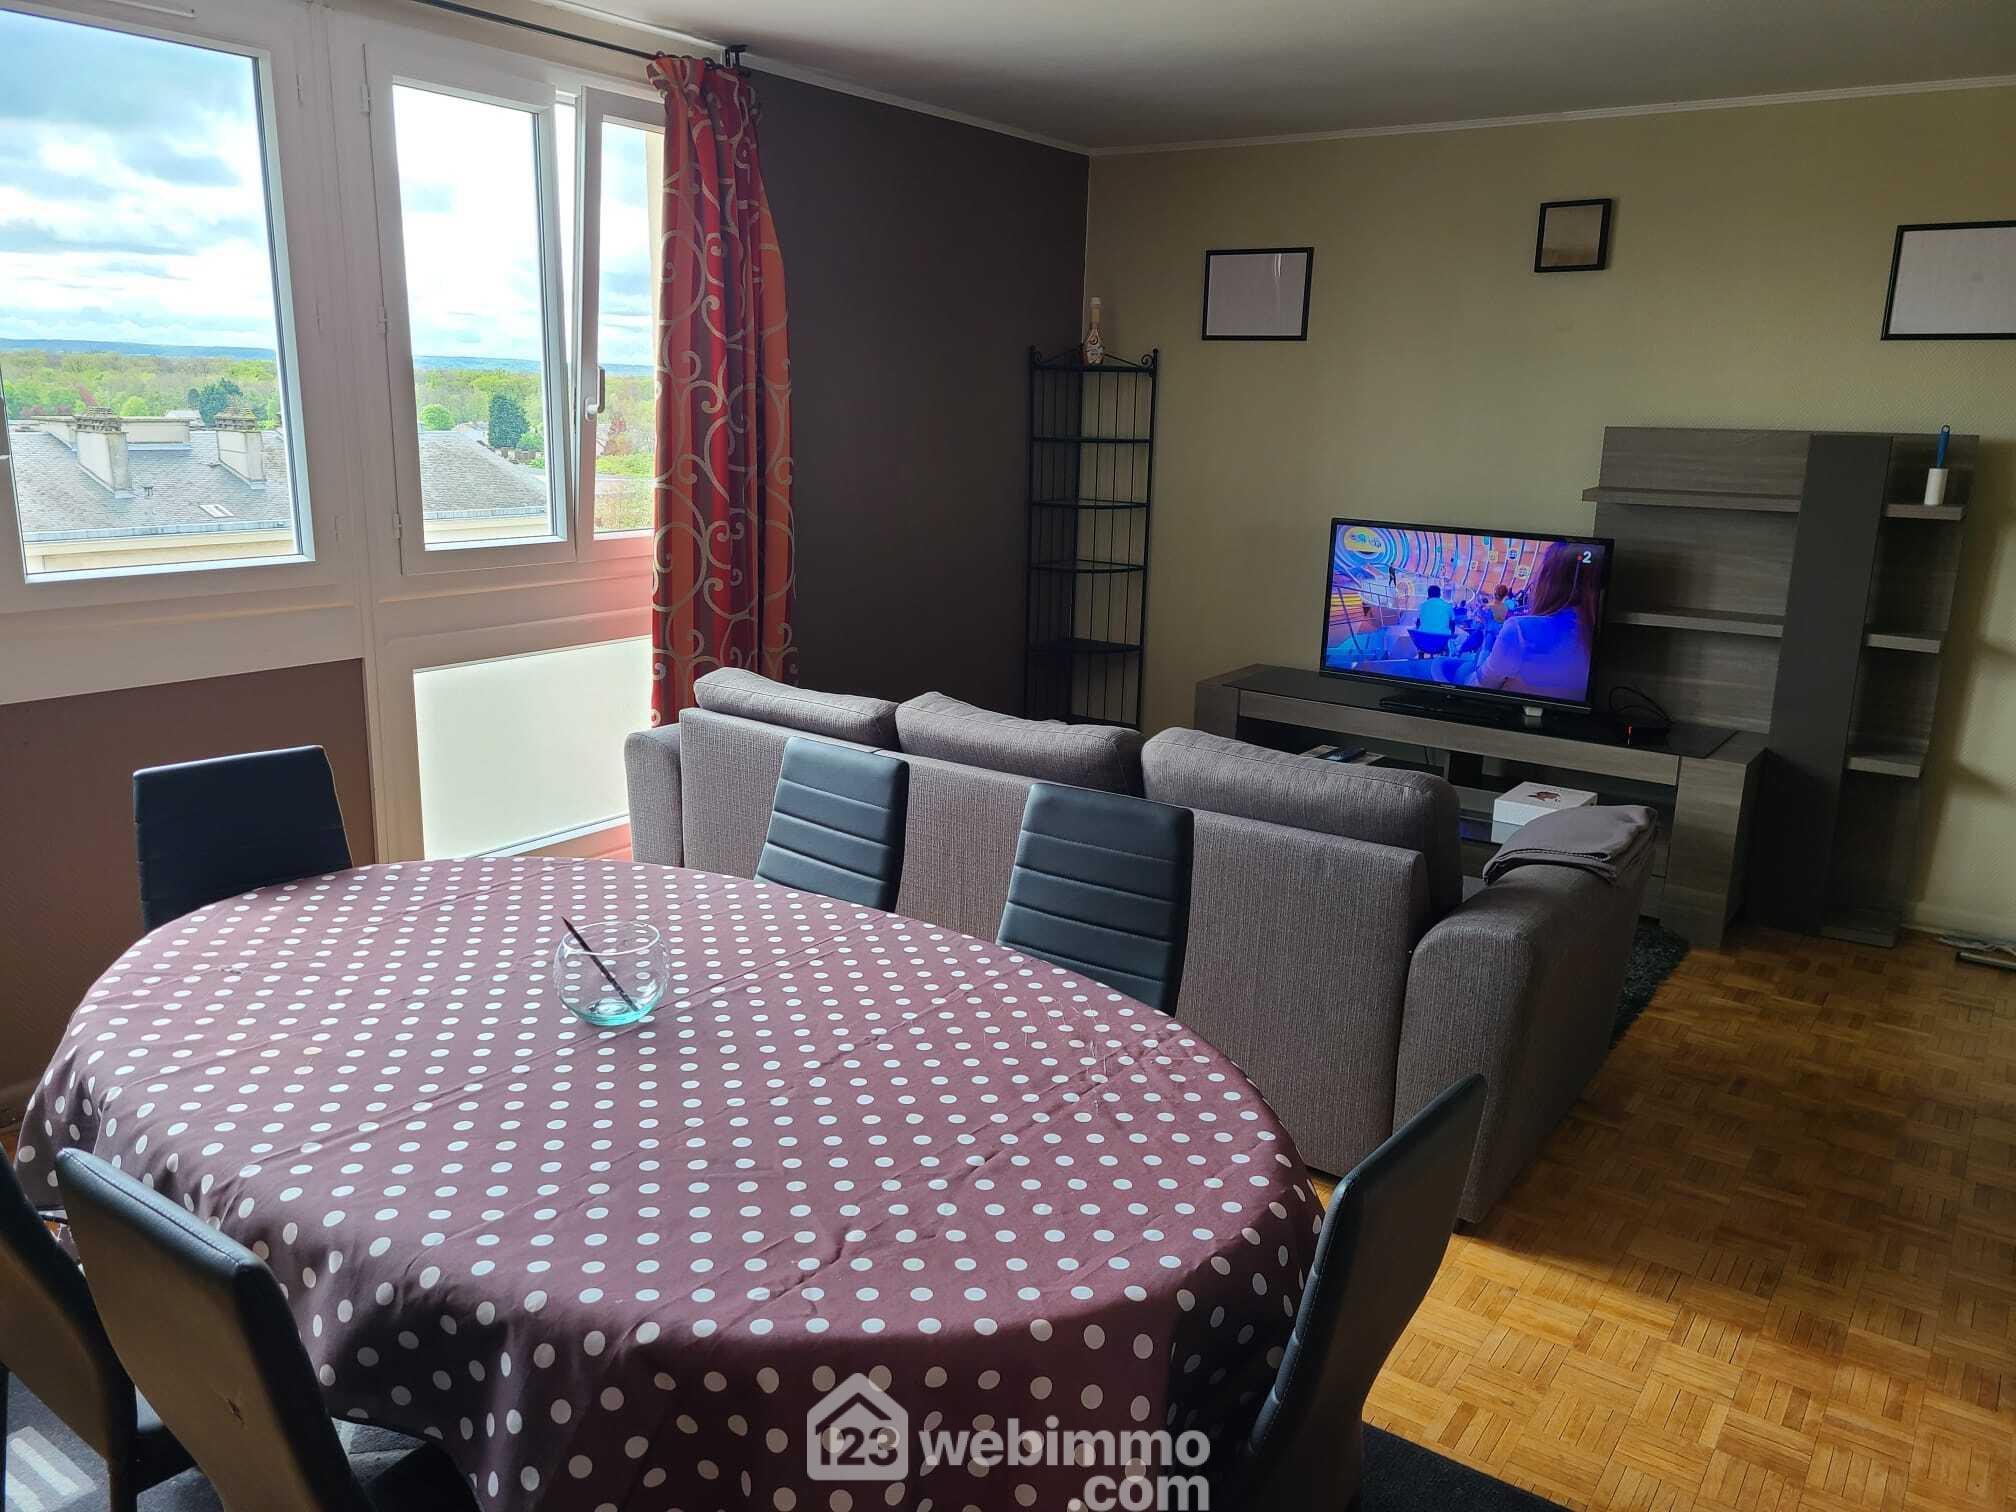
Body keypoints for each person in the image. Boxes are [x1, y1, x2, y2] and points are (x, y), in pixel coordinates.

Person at [1467, 541, 1601, 699]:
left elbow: (1479, 687)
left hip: (1496, 698)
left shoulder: (1520, 630)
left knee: (1461, 667)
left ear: (1547, 580)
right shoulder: (1592, 635)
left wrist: (1487, 647)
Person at [1413, 583, 1456, 655]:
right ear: (1440, 594)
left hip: (1424, 643)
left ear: (1428, 594)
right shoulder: (1448, 606)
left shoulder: (1422, 605)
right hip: (1441, 643)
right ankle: (1445, 656)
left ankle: (1420, 656)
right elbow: (1453, 624)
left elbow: (1418, 623)